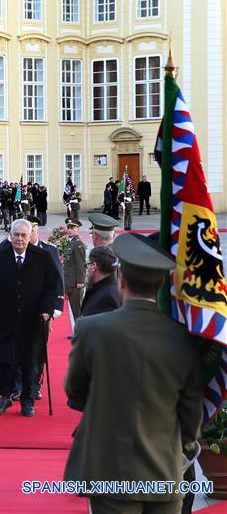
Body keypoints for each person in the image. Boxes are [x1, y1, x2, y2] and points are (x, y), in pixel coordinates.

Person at [64, 233, 204, 513]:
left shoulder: (91, 329)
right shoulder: (184, 339)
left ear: (121, 281)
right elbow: (190, 420)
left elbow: (75, 391)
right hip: (163, 471)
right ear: (162, 284)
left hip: (109, 469)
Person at [0, 219, 58, 417]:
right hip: (5, 319)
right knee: (4, 362)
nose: (20, 239)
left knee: (30, 363)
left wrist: (47, 310)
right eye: (16, 235)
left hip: (32, 321)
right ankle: (5, 396)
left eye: (24, 235)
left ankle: (27, 400)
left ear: (30, 236)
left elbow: (52, 288)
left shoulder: (42, 257)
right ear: (10, 234)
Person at [80, 246, 121, 317]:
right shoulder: (112, 289)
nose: (86, 270)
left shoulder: (107, 298)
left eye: (86, 265)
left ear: (93, 266)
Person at [62, 219, 87, 320]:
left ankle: (80, 333)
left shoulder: (78, 243)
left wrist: (80, 281)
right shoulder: (71, 242)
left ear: (77, 229)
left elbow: (81, 263)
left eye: (72, 228)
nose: (69, 230)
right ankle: (78, 331)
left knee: (77, 309)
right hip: (70, 281)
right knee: (74, 309)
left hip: (76, 282)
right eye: (68, 228)